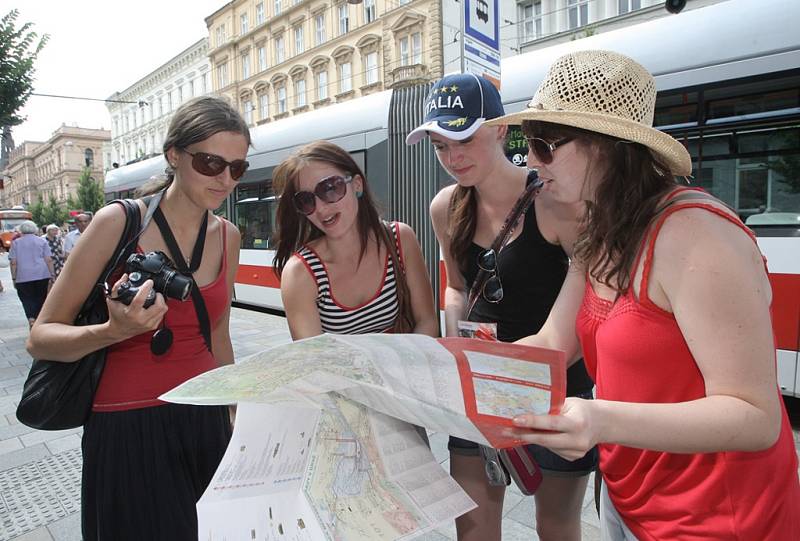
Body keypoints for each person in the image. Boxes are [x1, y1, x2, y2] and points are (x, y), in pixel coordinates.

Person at [487, 50, 800, 539]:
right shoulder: (602, 229)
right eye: (529, 143)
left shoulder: (696, 235)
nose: (529, 159)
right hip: (633, 497)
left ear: (607, 148)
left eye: (545, 144)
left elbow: (756, 416)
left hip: (716, 517)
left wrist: (599, 418)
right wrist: (463, 371)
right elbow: (553, 343)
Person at [27, 96, 250, 541]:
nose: (225, 179)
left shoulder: (228, 236)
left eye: (237, 168)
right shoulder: (118, 222)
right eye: (210, 163)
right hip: (128, 423)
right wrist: (113, 331)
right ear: (174, 155)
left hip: (204, 416)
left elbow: (218, 334)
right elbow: (41, 338)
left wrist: (235, 412)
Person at [406, 73, 594, 541]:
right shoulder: (444, 207)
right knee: (471, 526)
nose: (453, 157)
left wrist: (513, 371)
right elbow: (456, 285)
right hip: (476, 390)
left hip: (556, 388)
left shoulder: (554, 201)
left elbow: (585, 299)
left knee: (556, 526)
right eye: (440, 145)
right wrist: (457, 340)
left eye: (463, 137)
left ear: (499, 129)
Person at [274, 140, 438, 341]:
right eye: (306, 200)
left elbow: (427, 321)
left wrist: (404, 367)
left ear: (357, 185)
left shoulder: (400, 239)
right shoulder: (301, 273)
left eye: (330, 188)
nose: (321, 208)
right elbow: (314, 359)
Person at [9, 220, 54, 327]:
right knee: (41, 296)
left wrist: (14, 278)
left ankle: (31, 318)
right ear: (34, 229)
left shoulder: (16, 243)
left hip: (23, 276)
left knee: (27, 299)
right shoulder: (42, 241)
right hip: (41, 274)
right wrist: (52, 274)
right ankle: (38, 318)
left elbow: (13, 262)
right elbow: (48, 259)